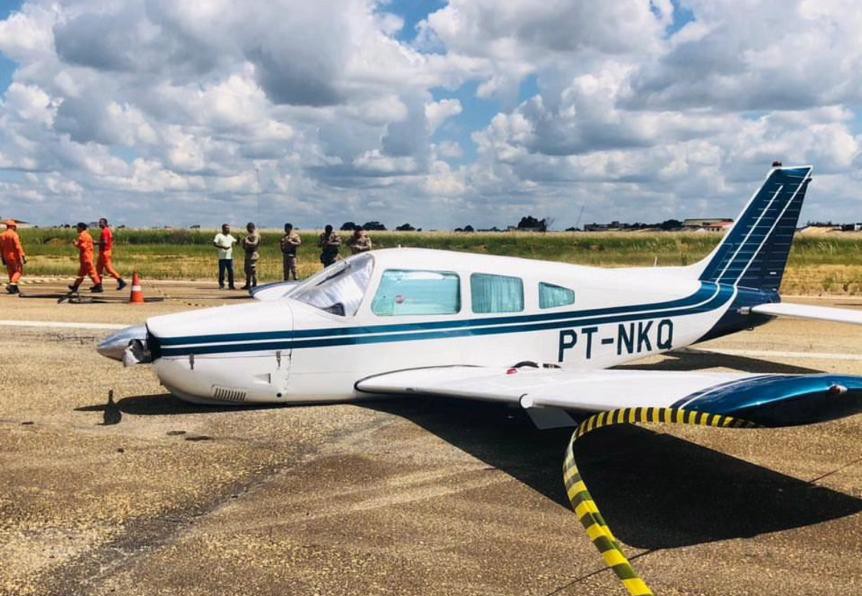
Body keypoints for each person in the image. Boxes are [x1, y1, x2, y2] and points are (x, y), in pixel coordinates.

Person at [69, 222, 102, 293]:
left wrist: (76, 244)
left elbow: (83, 246)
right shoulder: (87, 235)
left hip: (86, 257)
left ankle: (98, 286)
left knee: (91, 272)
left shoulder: (82, 235)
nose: (76, 229)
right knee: (81, 273)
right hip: (88, 256)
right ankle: (75, 286)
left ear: (81, 228)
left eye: (77, 227)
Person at [97, 218, 127, 291]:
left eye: (101, 223)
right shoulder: (108, 231)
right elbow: (112, 240)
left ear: (105, 223)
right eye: (99, 222)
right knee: (98, 269)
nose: (99, 224)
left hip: (105, 252)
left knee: (109, 269)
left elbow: (105, 242)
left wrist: (95, 243)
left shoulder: (105, 231)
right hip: (104, 252)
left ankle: (121, 281)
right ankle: (98, 285)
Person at [1, 220, 25, 295]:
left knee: (11, 272)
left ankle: (14, 288)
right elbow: (18, 246)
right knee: (18, 271)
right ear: (12, 226)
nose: (16, 228)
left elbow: (1, 248)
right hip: (15, 256)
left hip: (6, 256)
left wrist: (2, 258)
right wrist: (22, 256)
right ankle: (12, 284)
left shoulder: (2, 235)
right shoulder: (14, 235)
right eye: (15, 226)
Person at [213, 223, 237, 290]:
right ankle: (221, 284)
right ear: (223, 229)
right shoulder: (219, 235)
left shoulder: (230, 236)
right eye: (227, 228)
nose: (228, 229)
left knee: (231, 272)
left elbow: (236, 242)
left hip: (229, 258)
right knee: (222, 272)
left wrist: (239, 239)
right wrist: (223, 247)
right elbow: (214, 244)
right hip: (222, 258)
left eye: (229, 228)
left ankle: (231, 285)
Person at [241, 222, 260, 290]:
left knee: (252, 270)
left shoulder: (255, 235)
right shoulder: (249, 235)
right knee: (247, 270)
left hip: (253, 255)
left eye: (248, 228)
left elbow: (254, 244)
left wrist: (247, 242)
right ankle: (247, 284)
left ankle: (254, 284)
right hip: (248, 254)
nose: (247, 230)